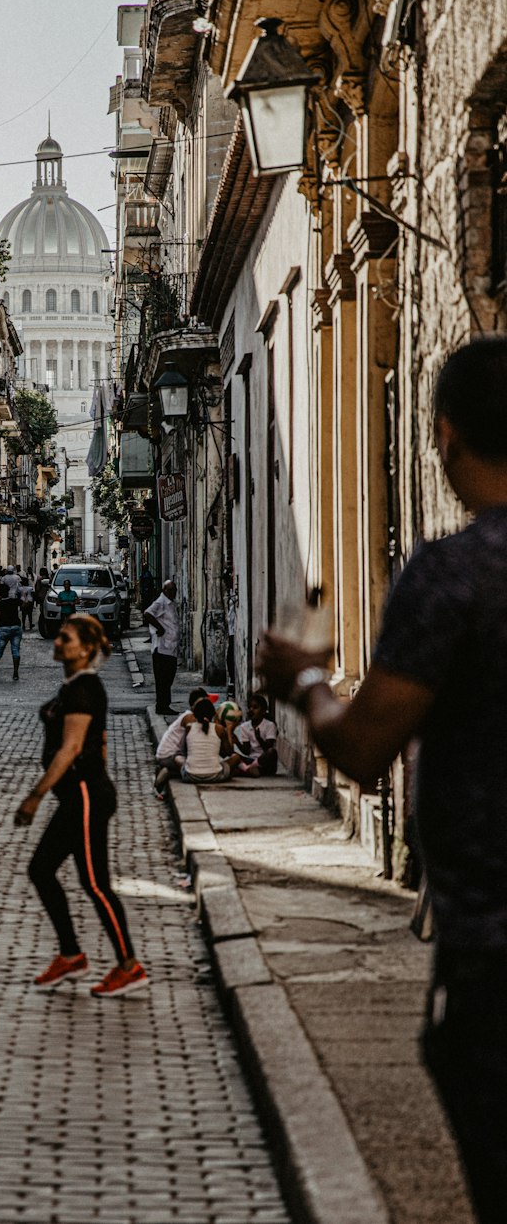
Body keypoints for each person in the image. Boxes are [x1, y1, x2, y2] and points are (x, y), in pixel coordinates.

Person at [255, 336, 507, 1224]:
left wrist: (307, 680)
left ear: (441, 436)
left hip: (492, 954)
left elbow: (364, 750)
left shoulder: (453, 577)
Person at [14, 614, 148, 998]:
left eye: (66, 638)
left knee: (96, 884)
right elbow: (100, 741)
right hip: (80, 797)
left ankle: (129, 965)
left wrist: (35, 797)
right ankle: (71, 954)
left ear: (87, 648)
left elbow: (71, 748)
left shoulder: (84, 689)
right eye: (59, 636)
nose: (58, 642)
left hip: (86, 795)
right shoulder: (72, 686)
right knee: (41, 870)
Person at [154, 687, 209, 795]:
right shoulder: (190, 717)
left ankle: (168, 772)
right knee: (197, 770)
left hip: (168, 754)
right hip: (169, 756)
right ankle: (169, 772)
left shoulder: (190, 716)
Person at [174, 697, 240, 783]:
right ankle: (228, 775)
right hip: (215, 776)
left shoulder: (189, 727)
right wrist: (229, 730)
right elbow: (229, 752)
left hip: (191, 776)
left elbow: (185, 751)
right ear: (213, 714)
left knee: (177, 758)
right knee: (236, 757)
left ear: (195, 714)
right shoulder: (219, 729)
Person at [143, 578, 180, 714]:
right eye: (170, 590)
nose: (172, 592)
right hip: (162, 648)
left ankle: (165, 704)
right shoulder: (161, 602)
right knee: (163, 679)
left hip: (171, 648)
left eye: (174, 590)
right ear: (164, 590)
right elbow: (147, 614)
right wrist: (160, 628)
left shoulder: (171, 604)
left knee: (168, 678)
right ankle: (162, 705)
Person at [234, 693, 278, 777]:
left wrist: (259, 738)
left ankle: (247, 769)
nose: (251, 710)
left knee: (272, 752)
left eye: (255, 707)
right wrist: (236, 741)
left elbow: (268, 748)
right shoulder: (245, 726)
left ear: (263, 711)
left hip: (265, 761)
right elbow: (246, 751)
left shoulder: (270, 725)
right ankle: (251, 770)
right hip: (251, 759)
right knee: (234, 756)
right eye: (249, 707)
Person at [0, 583, 23, 680]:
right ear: (8, 591)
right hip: (16, 627)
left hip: (4, 628)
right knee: (15, 651)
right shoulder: (15, 601)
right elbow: (24, 603)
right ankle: (15, 673)